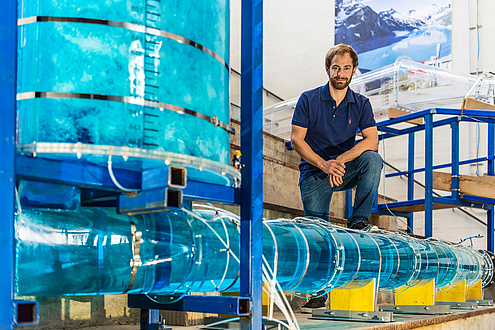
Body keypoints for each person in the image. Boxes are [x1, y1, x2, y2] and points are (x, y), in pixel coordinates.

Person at [291, 43, 383, 231]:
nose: (340, 74)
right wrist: (325, 164)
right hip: (315, 172)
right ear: (327, 69)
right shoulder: (308, 99)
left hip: (343, 171)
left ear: (354, 70)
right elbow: (296, 140)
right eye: (336, 68)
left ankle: (358, 222)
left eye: (346, 68)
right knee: (318, 234)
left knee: (373, 159)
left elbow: (372, 141)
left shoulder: (361, 104)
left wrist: (339, 161)